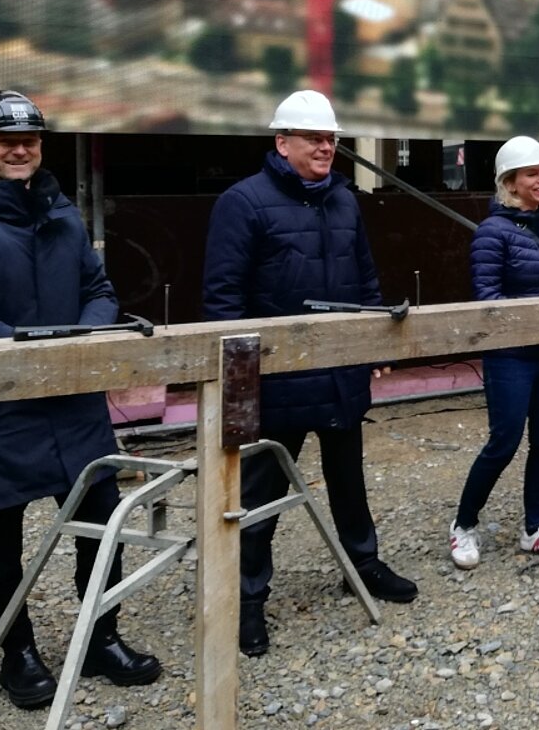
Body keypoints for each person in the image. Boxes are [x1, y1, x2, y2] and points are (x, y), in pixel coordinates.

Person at [0, 90, 160, 710]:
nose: (20, 149)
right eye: (5, 141)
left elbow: (98, 289)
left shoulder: (62, 215)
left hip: (74, 403)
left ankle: (101, 633)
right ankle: (16, 653)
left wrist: (82, 339)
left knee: (102, 523)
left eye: (29, 139)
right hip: (0, 410)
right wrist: (31, 358)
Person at [202, 89, 417, 658]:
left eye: (332, 139)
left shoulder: (345, 201)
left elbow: (364, 279)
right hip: (275, 381)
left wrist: (373, 339)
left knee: (349, 478)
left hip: (340, 369)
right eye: (314, 139)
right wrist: (240, 377)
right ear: (282, 142)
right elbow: (222, 300)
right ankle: (248, 601)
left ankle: (362, 566)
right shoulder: (242, 204)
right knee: (260, 490)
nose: (326, 148)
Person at [449, 136, 539, 570]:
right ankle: (464, 525)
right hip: (510, 355)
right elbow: (488, 298)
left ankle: (535, 528)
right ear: (511, 182)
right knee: (503, 441)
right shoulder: (492, 233)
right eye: (533, 173)